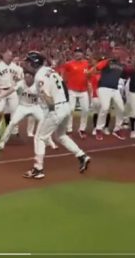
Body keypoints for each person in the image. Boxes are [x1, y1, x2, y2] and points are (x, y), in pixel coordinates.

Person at [22, 51, 90, 179]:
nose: (27, 64)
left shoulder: (39, 76)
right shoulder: (51, 71)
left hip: (55, 108)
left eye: (29, 62)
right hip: (65, 106)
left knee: (40, 137)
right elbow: (62, 86)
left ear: (34, 63)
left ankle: (38, 169)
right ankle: (82, 156)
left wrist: (52, 112)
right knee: (61, 135)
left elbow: (46, 96)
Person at [0, 72, 57, 151]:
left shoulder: (38, 84)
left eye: (28, 77)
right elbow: (11, 90)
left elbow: (45, 95)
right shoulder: (21, 83)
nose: (26, 79)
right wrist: (1, 96)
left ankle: (48, 141)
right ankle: (2, 142)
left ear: (32, 77)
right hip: (22, 107)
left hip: (35, 106)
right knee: (12, 123)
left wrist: (50, 104)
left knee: (44, 121)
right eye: (25, 77)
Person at [92, 48, 127, 141]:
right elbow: (95, 69)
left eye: (117, 52)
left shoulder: (122, 65)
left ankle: (117, 129)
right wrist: (91, 73)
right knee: (105, 108)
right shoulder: (107, 61)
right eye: (114, 52)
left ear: (120, 54)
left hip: (114, 89)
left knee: (121, 108)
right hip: (103, 87)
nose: (115, 54)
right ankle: (99, 129)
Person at [0, 50, 23, 141]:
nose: (10, 57)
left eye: (11, 55)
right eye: (8, 55)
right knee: (0, 111)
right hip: (1, 91)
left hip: (12, 91)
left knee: (14, 111)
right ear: (3, 56)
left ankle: (14, 131)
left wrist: (18, 79)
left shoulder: (15, 67)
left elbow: (20, 79)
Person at [61, 48, 90, 138]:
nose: (78, 54)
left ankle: (82, 129)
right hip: (72, 90)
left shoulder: (86, 63)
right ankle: (69, 128)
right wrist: (63, 80)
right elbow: (62, 70)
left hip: (83, 90)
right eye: (76, 53)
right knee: (70, 110)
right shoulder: (69, 64)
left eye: (79, 53)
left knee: (85, 110)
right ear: (74, 54)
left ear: (82, 54)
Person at [125, 62, 135, 139]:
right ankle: (133, 130)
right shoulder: (132, 71)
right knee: (134, 112)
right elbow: (126, 69)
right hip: (134, 93)